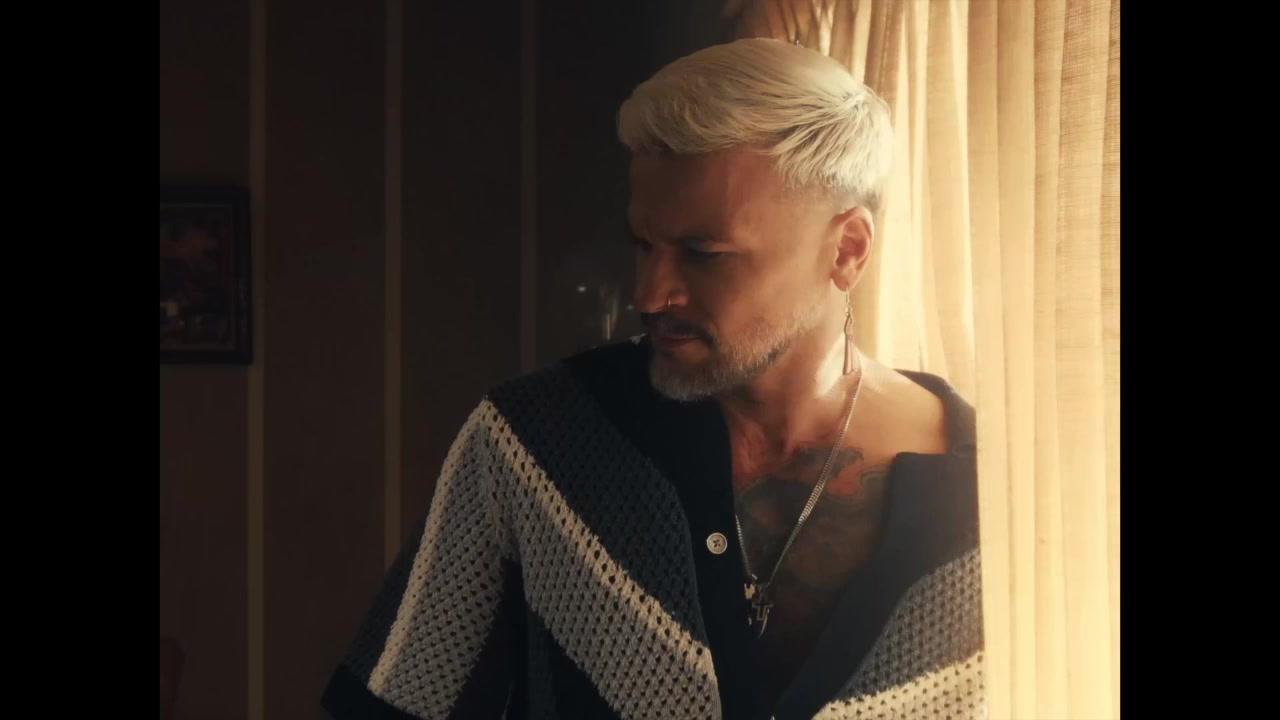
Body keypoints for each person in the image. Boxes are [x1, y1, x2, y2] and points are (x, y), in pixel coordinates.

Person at [322, 37, 983, 720]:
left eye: (704, 254)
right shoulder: (531, 445)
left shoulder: (991, 492)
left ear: (847, 250)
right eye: (644, 245)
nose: (650, 293)